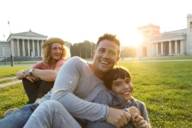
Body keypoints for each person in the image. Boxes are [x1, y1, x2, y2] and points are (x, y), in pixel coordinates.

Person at [23, 33, 131, 128]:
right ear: (94, 52)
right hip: (37, 108)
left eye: (112, 53)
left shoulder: (111, 82)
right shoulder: (77, 63)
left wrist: (132, 111)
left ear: (117, 58)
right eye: (102, 50)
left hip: (65, 119)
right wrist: (106, 112)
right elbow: (59, 97)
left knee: (50, 107)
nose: (106, 56)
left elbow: (126, 96)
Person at [86, 67, 151, 128]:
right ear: (110, 89)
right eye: (118, 84)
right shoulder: (105, 105)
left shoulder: (140, 105)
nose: (126, 87)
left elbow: (148, 125)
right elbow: (92, 125)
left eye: (127, 81)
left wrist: (144, 125)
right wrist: (127, 113)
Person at [16, 37, 69, 103]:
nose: (58, 51)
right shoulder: (42, 63)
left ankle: (36, 104)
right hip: (42, 95)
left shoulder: (61, 62)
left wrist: (33, 71)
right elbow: (18, 75)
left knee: (47, 78)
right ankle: (35, 103)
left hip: (59, 94)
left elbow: (54, 76)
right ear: (48, 50)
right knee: (26, 79)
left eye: (60, 49)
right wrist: (27, 73)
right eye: (55, 48)